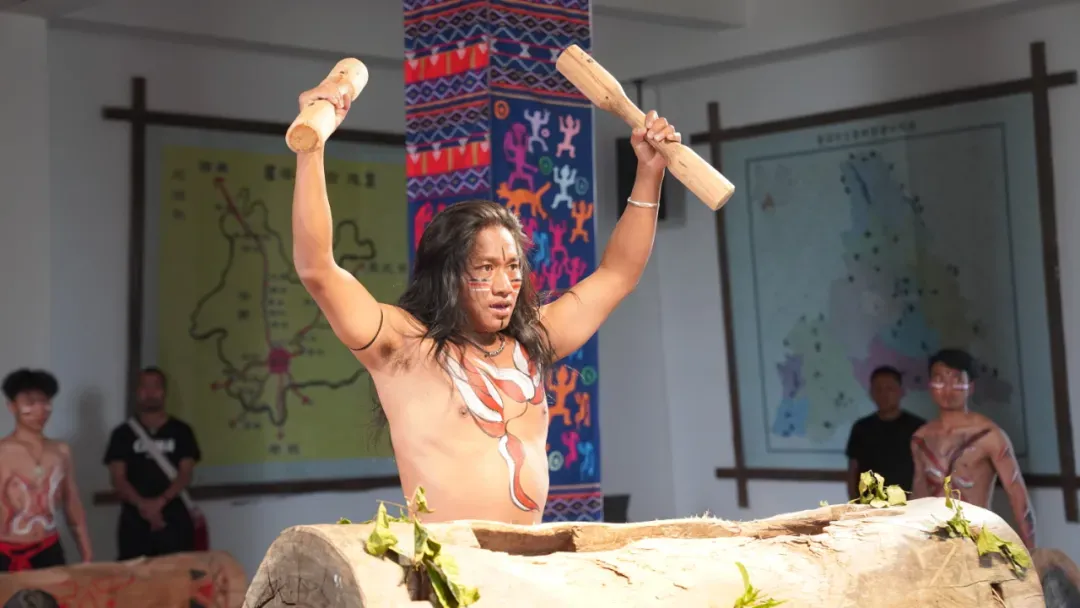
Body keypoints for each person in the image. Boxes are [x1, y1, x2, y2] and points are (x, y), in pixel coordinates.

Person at [293, 83, 676, 525]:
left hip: (527, 559)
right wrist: (311, 149)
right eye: (486, 268)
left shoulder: (532, 340)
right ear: (447, 273)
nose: (504, 285)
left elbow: (617, 274)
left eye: (513, 267)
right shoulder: (404, 346)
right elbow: (318, 270)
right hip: (447, 561)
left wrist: (649, 172)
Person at [910, 348, 1036, 548]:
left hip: (976, 542)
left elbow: (1018, 498)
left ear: (971, 386)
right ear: (930, 385)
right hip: (934, 545)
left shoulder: (990, 435)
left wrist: (1031, 552)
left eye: (957, 380)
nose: (948, 388)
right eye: (940, 379)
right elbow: (918, 497)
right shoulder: (921, 438)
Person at [103, 367, 201, 558]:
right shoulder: (122, 434)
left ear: (164, 392)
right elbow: (117, 478)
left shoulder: (182, 431)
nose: (150, 393)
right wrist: (143, 505)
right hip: (134, 522)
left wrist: (160, 502)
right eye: (144, 387)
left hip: (174, 518)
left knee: (178, 573)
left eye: (155, 387)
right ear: (137, 392)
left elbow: (185, 474)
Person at [0, 368, 92, 571]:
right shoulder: (2, 453)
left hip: (48, 548)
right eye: (30, 402)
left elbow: (72, 503)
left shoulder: (61, 451)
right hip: (5, 552)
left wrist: (86, 553)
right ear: (12, 406)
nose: (40, 409)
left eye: (45, 401)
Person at [844, 366, 925, 499]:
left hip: (908, 504)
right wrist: (853, 501)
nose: (884, 394)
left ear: (900, 391)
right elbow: (853, 470)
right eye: (878, 389)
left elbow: (925, 470)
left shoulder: (919, 428)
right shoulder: (861, 428)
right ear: (871, 393)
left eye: (889, 389)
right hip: (868, 504)